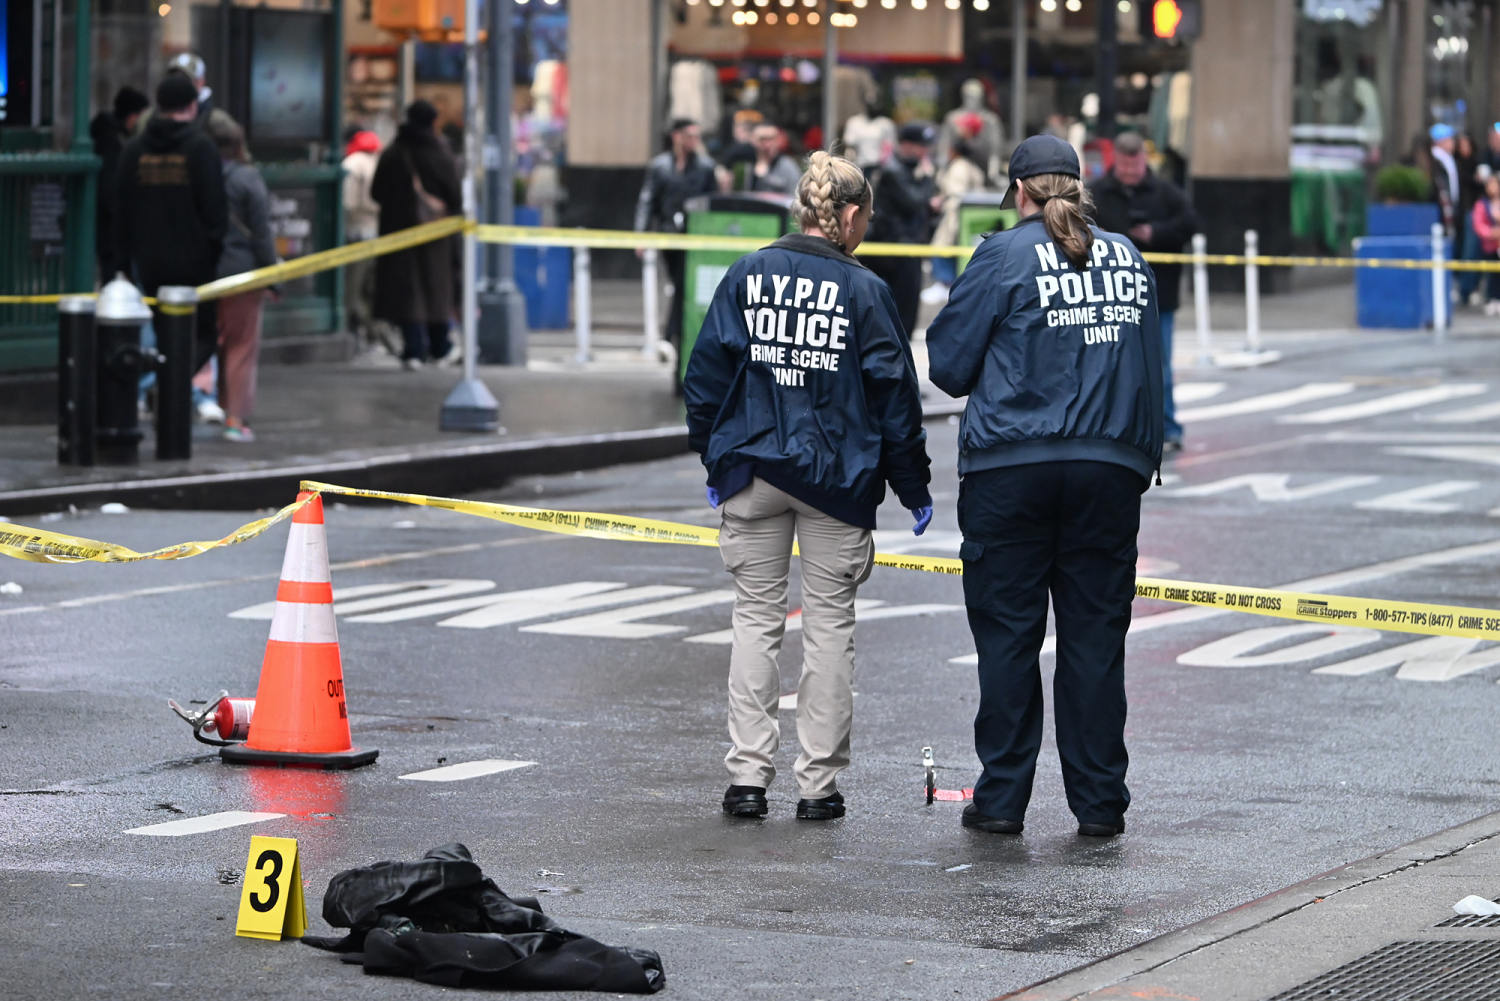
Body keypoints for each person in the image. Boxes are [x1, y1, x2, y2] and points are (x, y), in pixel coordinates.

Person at [684, 150, 934, 823]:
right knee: (828, 631)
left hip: (753, 470)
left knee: (754, 621)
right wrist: (912, 486)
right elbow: (894, 401)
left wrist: (716, 459)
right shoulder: (867, 291)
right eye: (867, 218)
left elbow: (704, 377)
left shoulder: (747, 273)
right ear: (849, 216)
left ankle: (747, 778)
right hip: (837, 479)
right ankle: (818, 786)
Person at [925, 134, 1163, 840]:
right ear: (1080, 187)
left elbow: (948, 365)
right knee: (1094, 641)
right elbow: (1150, 361)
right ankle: (1100, 803)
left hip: (1011, 470)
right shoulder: (1127, 255)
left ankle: (1001, 799)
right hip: (1109, 467)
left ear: (1020, 192)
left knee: (1007, 637)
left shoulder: (1001, 254)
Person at [1087, 130, 1199, 452]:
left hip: (1157, 294)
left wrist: (1156, 233)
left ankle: (1168, 427)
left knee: (1159, 366)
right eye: (1125, 167)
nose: (1130, 173)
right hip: (1110, 294)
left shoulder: (1166, 194)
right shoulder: (1098, 194)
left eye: (1135, 167)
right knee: (1110, 364)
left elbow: (1191, 223)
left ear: (1144, 161)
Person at [116, 72, 228, 389]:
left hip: (149, 264)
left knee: (165, 334)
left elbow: (120, 210)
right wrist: (210, 253)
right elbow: (216, 211)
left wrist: (124, 262)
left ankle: (165, 387)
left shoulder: (134, 151)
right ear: (192, 106)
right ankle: (170, 387)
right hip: (196, 265)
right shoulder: (201, 149)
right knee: (203, 335)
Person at [370, 100, 463, 369]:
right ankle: (439, 345)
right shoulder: (441, 154)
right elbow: (455, 196)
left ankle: (413, 348)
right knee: (436, 289)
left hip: (399, 234)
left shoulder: (394, 153)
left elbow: (376, 193)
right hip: (437, 235)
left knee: (407, 292)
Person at [204, 111, 276, 443]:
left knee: (207, 343)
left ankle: (205, 404)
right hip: (243, 274)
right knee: (241, 347)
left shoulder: (201, 174)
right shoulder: (248, 179)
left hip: (205, 271)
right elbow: (261, 233)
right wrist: (273, 275)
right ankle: (236, 419)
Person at [634, 118, 719, 360]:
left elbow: (712, 202)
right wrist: (641, 234)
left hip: (694, 235)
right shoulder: (660, 166)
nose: (694, 141)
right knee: (677, 283)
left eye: (697, 136)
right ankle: (673, 334)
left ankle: (671, 334)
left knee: (683, 284)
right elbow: (647, 200)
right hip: (667, 233)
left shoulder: (705, 166)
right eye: (690, 135)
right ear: (677, 136)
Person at [865, 121, 940, 339]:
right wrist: (927, 178)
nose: (925, 152)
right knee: (901, 310)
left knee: (907, 310)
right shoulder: (892, 171)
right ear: (906, 145)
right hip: (895, 251)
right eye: (921, 146)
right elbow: (914, 202)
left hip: (908, 247)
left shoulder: (903, 169)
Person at [91, 85, 150, 283]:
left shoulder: (112, 139)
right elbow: (110, 191)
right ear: (132, 116)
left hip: (109, 228)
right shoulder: (113, 143)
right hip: (111, 230)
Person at [342, 128, 387, 352]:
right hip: (376, 231)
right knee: (370, 290)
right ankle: (376, 337)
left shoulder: (352, 163)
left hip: (356, 232)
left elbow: (347, 203)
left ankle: (370, 335)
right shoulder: (378, 162)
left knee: (353, 290)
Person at [745, 121, 801, 195]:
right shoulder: (747, 164)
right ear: (753, 140)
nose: (767, 144)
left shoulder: (787, 166)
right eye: (762, 139)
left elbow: (796, 197)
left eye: (771, 139)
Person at [1471, 173, 1500, 315]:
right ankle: (1491, 298)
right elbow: (1478, 225)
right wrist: (1491, 233)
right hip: (1489, 245)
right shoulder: (1482, 204)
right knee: (1491, 274)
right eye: (1490, 185)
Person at [166, 52, 216, 127]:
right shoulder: (156, 115)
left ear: (201, 82)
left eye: (185, 80)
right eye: (173, 78)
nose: (177, 84)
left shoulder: (215, 121)